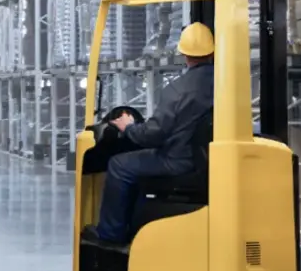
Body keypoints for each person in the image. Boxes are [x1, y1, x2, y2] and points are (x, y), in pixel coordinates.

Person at [86, 22, 216, 246]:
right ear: (212, 52)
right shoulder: (226, 83)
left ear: (184, 54)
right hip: (205, 160)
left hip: (177, 160)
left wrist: (128, 126)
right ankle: (134, 224)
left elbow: (152, 135)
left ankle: (110, 234)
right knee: (136, 166)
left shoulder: (177, 90)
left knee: (118, 164)